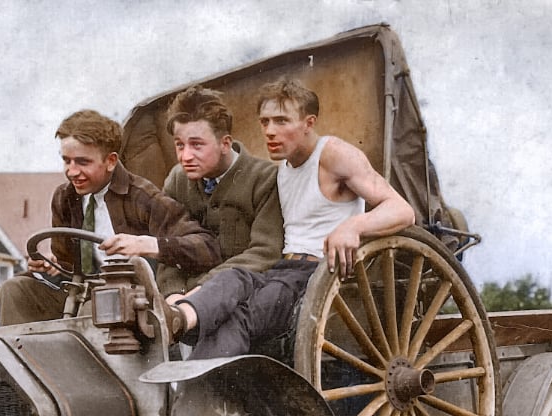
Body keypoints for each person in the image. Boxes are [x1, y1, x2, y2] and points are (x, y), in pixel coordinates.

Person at [163, 78, 416, 358]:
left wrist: (353, 226)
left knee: (241, 318)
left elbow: (402, 210)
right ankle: (177, 318)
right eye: (265, 122)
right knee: (233, 278)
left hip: (319, 275)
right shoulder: (283, 168)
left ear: (309, 122)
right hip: (282, 269)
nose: (270, 131)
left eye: (282, 121)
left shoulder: (334, 155)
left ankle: (197, 394)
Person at [0, 109, 220, 325]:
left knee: (95, 308)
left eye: (83, 162)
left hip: (132, 301)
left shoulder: (142, 197)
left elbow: (206, 247)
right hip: (79, 293)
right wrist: (52, 265)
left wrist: (147, 244)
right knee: (14, 290)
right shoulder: (65, 198)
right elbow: (67, 264)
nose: (72, 171)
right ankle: (23, 362)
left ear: (111, 161)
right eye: (67, 161)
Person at [158, 85, 283, 300]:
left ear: (225, 144)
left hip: (245, 296)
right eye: (180, 145)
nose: (186, 156)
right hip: (183, 299)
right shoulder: (177, 181)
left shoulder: (264, 178)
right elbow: (169, 249)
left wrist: (204, 289)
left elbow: (265, 252)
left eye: (197, 145)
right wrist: (173, 294)